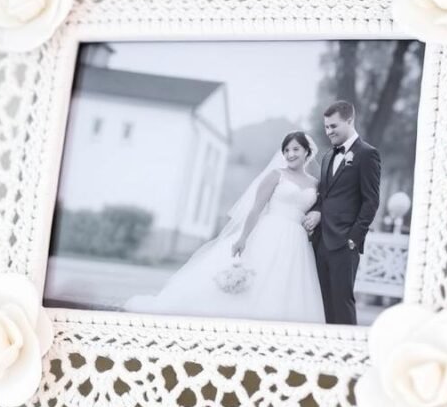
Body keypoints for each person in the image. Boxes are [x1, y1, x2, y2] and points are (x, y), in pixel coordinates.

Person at [124, 132, 325, 324]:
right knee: (258, 278)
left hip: (297, 241)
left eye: (296, 149)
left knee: (286, 282)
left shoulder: (315, 184)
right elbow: (256, 209)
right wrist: (243, 238)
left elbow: (321, 206)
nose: (290, 154)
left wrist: (318, 214)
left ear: (307, 151)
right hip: (270, 231)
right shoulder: (276, 175)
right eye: (286, 150)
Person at [303, 100, 382, 325]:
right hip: (321, 242)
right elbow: (323, 196)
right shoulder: (328, 156)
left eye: (333, 126)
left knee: (342, 302)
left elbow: (371, 201)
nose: (329, 131)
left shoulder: (367, 154)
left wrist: (353, 239)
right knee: (322, 303)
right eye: (326, 127)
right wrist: (317, 212)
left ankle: (346, 345)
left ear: (349, 120)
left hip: (344, 244)